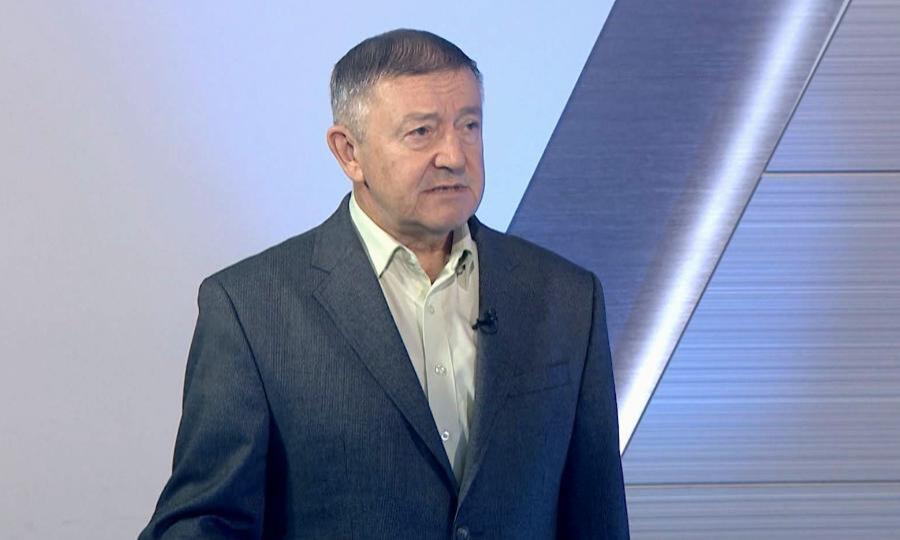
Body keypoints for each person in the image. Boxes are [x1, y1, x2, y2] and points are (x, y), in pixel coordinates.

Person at [140, 28, 629, 539]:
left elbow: (598, 516)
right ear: (348, 152)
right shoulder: (252, 309)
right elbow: (203, 522)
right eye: (422, 132)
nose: (454, 155)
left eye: (469, 125)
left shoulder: (566, 297)